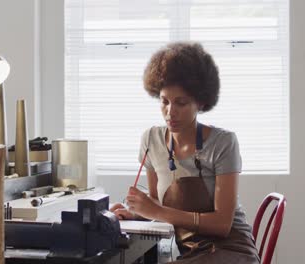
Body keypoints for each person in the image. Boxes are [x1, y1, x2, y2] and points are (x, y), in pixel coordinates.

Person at [109, 42, 260, 263]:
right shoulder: (151, 140)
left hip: (230, 249)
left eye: (181, 103)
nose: (170, 112)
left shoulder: (223, 143)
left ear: (200, 102)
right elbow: (155, 200)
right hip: (190, 252)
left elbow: (222, 224)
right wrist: (135, 212)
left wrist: (156, 212)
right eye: (164, 102)